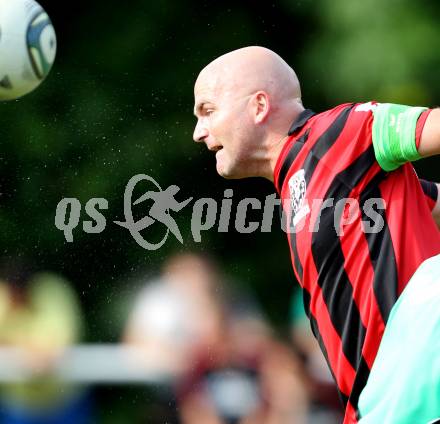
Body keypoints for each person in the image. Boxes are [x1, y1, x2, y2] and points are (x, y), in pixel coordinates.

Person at [192, 46, 440, 424]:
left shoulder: (343, 133)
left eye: (207, 111)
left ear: (259, 106)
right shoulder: (301, 185)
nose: (198, 132)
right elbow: (430, 203)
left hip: (415, 391)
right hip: (381, 408)